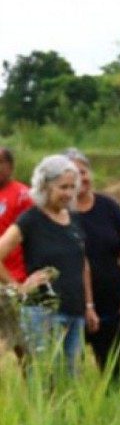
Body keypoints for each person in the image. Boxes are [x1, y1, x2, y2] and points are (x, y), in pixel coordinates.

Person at [0, 154, 99, 375]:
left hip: (75, 311)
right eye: (62, 187)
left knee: (72, 379)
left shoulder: (72, 219)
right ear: (45, 186)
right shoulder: (30, 220)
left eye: (72, 187)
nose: (68, 193)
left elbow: (82, 263)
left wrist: (89, 305)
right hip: (42, 313)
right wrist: (19, 287)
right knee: (45, 380)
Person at [64, 149, 120, 383]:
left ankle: (112, 399)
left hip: (109, 293)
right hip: (70, 297)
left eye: (82, 172)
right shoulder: (57, 212)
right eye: (71, 174)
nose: (79, 179)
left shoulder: (109, 207)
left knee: (111, 360)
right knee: (71, 363)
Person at [0, 147, 32, 359]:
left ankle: (31, 386)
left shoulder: (23, 195)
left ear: (10, 166)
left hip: (14, 278)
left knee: (22, 342)